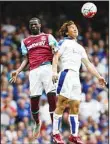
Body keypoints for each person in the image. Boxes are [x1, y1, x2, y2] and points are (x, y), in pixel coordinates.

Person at [52, 21, 107, 144]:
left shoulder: (80, 47)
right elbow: (55, 57)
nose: (75, 29)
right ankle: (56, 133)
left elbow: (88, 64)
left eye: (75, 27)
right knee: (61, 104)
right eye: (72, 28)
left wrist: (98, 76)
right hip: (66, 74)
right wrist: (54, 72)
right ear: (67, 32)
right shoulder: (63, 42)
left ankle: (74, 135)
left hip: (76, 77)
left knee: (75, 106)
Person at [10, 17, 58, 139]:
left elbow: (56, 52)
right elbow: (26, 59)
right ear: (29, 27)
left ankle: (54, 127)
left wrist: (54, 70)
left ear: (40, 25)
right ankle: (37, 122)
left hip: (47, 67)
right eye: (31, 25)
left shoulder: (48, 37)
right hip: (34, 71)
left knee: (52, 98)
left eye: (35, 24)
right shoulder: (25, 41)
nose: (33, 26)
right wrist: (18, 71)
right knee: (34, 101)